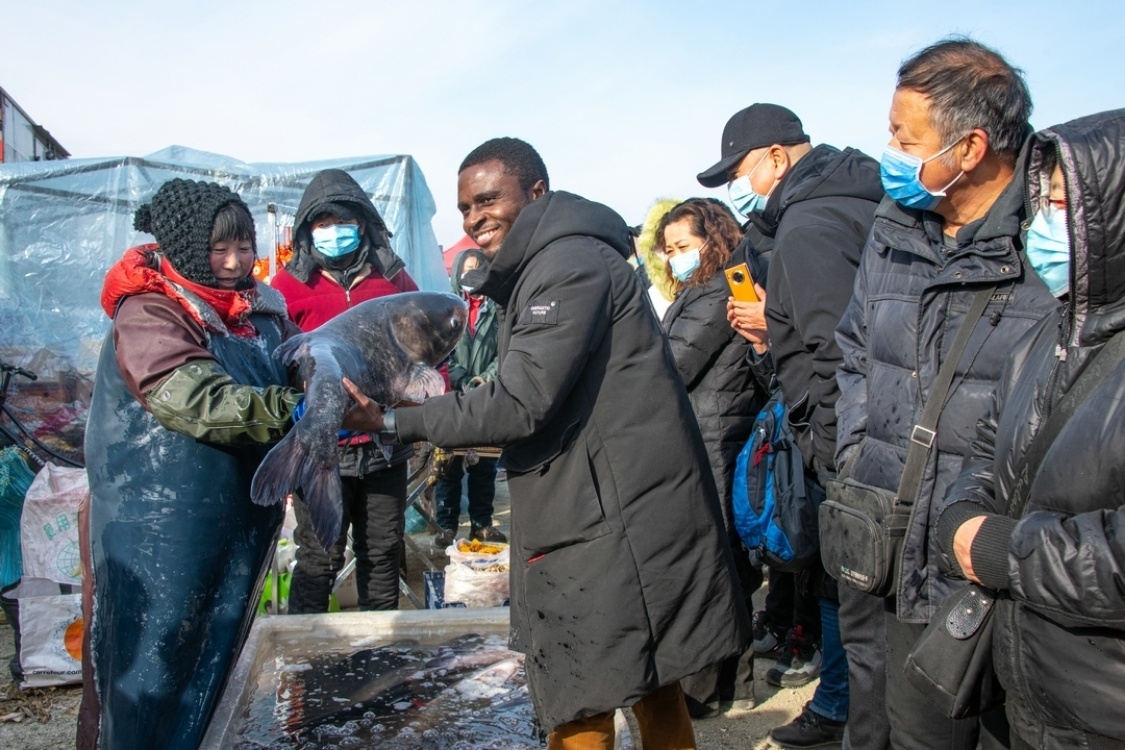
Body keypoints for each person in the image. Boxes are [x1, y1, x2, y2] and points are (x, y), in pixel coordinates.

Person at [348, 137, 750, 749]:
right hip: (612, 503)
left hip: (612, 520)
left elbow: (520, 400)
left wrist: (395, 421)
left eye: (487, 200)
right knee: (647, 678)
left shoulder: (568, 264)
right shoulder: (551, 263)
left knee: (582, 693)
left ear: (536, 193)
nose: (474, 218)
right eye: (463, 208)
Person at [831, 37, 1058, 750]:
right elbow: (854, 353)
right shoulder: (893, 228)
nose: (889, 151)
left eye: (905, 138)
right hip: (883, 544)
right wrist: (858, 453)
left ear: (969, 148)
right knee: (897, 728)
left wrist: (993, 530)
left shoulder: (1049, 237)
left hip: (985, 561)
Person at [80, 179, 304, 749]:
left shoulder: (262, 312)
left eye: (244, 248)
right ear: (183, 246)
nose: (233, 264)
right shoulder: (151, 309)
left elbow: (299, 357)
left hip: (233, 523)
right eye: (217, 250)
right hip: (155, 528)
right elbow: (194, 398)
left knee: (216, 659)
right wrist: (296, 409)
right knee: (150, 670)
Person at [935, 108, 1125, 750]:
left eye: (1065, 205)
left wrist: (1000, 551)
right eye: (1042, 204)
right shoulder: (1054, 328)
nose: (1043, 226)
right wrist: (959, 514)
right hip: (1027, 684)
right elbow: (989, 450)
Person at [701, 101, 884, 747]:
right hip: (866, 429)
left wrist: (770, 330)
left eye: (743, 170)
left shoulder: (809, 223)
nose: (741, 188)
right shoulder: (849, 202)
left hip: (845, 434)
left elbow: (831, 347)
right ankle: (843, 703)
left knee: (845, 578)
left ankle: (840, 708)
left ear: (778, 156)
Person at [269, 168, 418, 613]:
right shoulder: (286, 287)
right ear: (306, 231)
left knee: (383, 552)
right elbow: (275, 364)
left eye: (343, 223)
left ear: (363, 224)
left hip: (384, 442)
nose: (333, 233)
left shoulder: (394, 281)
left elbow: (424, 350)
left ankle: (382, 659)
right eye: (322, 225)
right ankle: (300, 664)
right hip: (322, 447)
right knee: (319, 556)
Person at [656, 198, 765, 718]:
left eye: (682, 246)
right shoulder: (712, 285)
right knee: (726, 565)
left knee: (713, 565)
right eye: (669, 250)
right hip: (714, 431)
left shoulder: (718, 288)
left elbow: (674, 362)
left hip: (715, 435)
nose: (674, 257)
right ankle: (729, 685)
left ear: (711, 239)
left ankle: (708, 691)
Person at [432, 247, 506, 548]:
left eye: (478, 268)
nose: (470, 274)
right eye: (466, 269)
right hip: (453, 397)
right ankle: (446, 526)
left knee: (484, 467)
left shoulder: (499, 309)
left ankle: (481, 524)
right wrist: (461, 378)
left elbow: (506, 349)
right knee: (448, 467)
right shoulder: (446, 310)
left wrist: (487, 378)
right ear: (456, 273)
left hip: (487, 397)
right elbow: (439, 352)